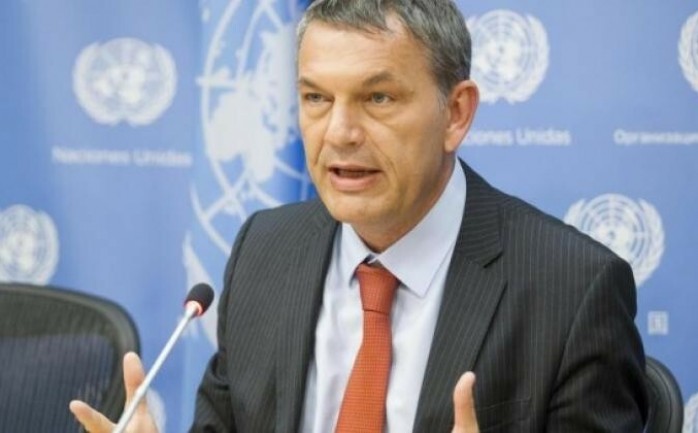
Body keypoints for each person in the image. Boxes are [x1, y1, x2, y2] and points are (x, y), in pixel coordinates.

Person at [70, 0, 648, 431]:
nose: (340, 133)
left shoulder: (572, 290)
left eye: (378, 98)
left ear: (455, 113)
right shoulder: (264, 250)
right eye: (316, 98)